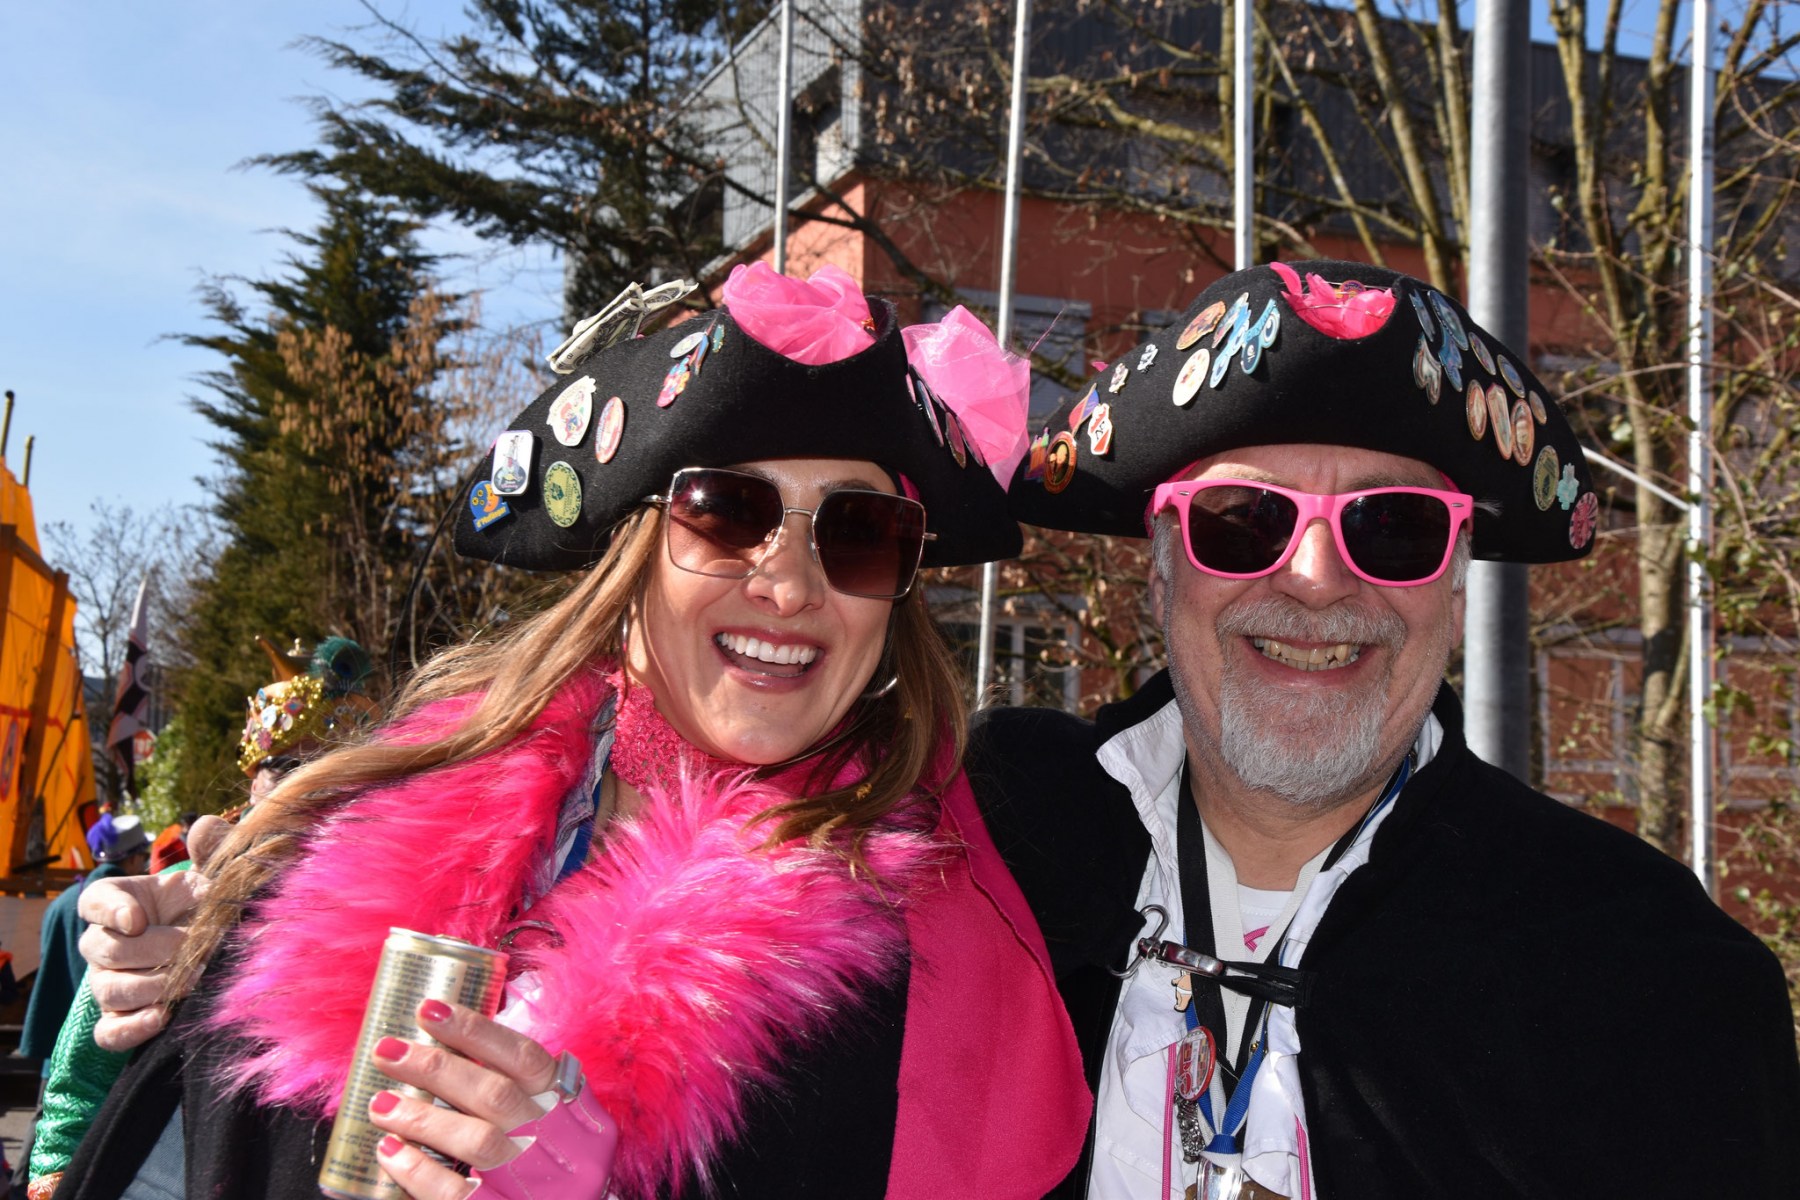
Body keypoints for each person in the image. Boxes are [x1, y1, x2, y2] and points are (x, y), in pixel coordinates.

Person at [61, 264, 1088, 1200]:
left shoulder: (913, 977)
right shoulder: (349, 848)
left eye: (859, 533)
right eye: (728, 513)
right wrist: (204, 960)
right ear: (628, 555)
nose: (788, 584)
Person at [970, 260, 1800, 1198]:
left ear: (1455, 593)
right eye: (1243, 521)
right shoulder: (982, 853)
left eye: (1394, 528)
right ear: (1162, 576)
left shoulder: (1652, 978)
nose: (1316, 579)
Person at [27, 641, 377, 1200]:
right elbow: (81, 1074)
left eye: (333, 770)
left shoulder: (386, 899)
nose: (308, 788)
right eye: (287, 768)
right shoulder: (183, 890)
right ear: (253, 780)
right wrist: (54, 1179)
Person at [15, 819, 151, 1200]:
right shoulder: (138, 904)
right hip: (106, 1049)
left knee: (46, 1122)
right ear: (132, 858)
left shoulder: (61, 903)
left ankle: (23, 1187)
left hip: (59, 1042)